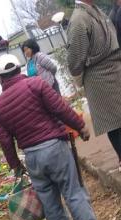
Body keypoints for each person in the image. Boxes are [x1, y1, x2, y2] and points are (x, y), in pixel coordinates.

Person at [0, 53, 110, 220]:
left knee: (48, 199)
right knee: (72, 190)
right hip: (54, 147)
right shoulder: (36, 84)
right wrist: (80, 126)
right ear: (19, 70)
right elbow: (60, 108)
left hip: (32, 156)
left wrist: (16, 166)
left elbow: (5, 141)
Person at [67, 0, 121, 171]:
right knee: (113, 122)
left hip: (114, 69)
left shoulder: (95, 11)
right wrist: (79, 80)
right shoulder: (78, 19)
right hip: (98, 77)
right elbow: (75, 60)